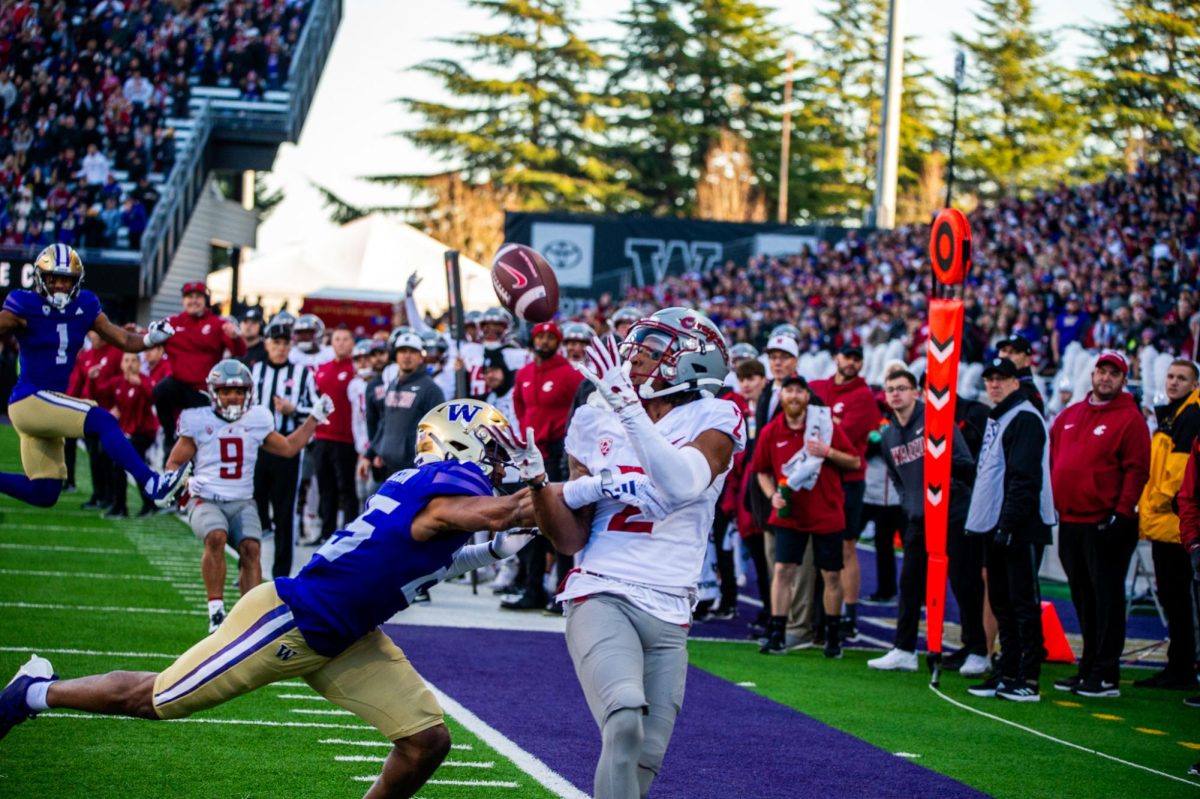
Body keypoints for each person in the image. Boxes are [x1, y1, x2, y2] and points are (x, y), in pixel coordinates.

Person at [0, 400, 539, 799]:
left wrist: (490, 550)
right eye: (492, 448)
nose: (498, 461)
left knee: (427, 742)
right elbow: (481, 514)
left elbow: (426, 559)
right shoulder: (448, 489)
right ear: (459, 445)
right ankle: (33, 692)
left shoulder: (427, 490)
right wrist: (538, 492)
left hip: (347, 635)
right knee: (153, 699)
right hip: (290, 621)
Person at [489, 309, 742, 799]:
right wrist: (543, 485)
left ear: (692, 362)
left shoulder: (717, 415)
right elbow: (570, 540)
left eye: (650, 351)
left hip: (672, 607)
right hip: (601, 590)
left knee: (644, 757)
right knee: (624, 716)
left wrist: (626, 415)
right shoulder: (593, 419)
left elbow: (682, 482)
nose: (633, 360)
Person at [0, 244, 189, 511]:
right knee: (103, 420)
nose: (60, 287)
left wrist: (149, 338)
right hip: (30, 400)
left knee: (44, 492)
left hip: (48, 404)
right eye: (54, 279)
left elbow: (122, 338)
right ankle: (152, 484)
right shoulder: (24, 304)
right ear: (42, 279)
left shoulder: (85, 305)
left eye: (67, 281)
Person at [167, 360, 335, 633]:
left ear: (249, 393)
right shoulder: (198, 420)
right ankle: (216, 612)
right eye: (225, 391)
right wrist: (185, 480)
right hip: (206, 498)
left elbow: (289, 448)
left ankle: (250, 617)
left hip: (243, 500)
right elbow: (173, 463)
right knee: (216, 536)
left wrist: (314, 418)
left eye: (239, 391)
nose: (232, 397)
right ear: (214, 393)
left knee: (251, 548)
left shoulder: (257, 419)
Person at [867, 370, 984, 676]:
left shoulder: (937, 420)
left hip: (953, 512)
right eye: (890, 389)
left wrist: (942, 469)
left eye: (901, 388)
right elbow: (897, 479)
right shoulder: (889, 435)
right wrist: (911, 505)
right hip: (919, 518)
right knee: (909, 584)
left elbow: (966, 465)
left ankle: (978, 650)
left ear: (916, 392)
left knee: (963, 582)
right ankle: (904, 650)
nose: (895, 394)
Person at [1049, 351, 1151, 698]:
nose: (1105, 378)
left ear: (1124, 380)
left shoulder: (1130, 419)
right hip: (1072, 520)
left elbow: (1138, 470)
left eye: (1113, 373)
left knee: (1106, 598)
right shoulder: (1070, 415)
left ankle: (1106, 673)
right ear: (1092, 375)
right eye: (1101, 371)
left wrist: (1121, 514)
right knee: (1083, 598)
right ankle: (1088, 666)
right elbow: (1055, 460)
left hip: (1106, 522)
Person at [965, 357, 1057, 702]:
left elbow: (1024, 479)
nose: (994, 384)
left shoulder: (1025, 418)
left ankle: (1028, 678)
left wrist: (1008, 524)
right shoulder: (1003, 417)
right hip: (998, 522)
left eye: (1001, 378)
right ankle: (1007, 671)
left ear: (1017, 382)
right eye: (989, 379)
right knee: (1002, 601)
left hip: (1020, 524)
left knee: (1022, 602)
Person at [752, 374, 860, 657]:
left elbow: (854, 461)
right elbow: (761, 470)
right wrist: (771, 494)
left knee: (831, 575)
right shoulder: (771, 431)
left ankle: (833, 637)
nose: (795, 396)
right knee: (782, 570)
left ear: (807, 397)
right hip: (790, 514)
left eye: (800, 391)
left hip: (826, 512)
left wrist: (828, 451)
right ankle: (777, 634)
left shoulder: (824, 427)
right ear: (783, 396)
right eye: (789, 391)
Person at [504, 321, 584, 612]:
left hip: (556, 453)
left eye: (552, 337)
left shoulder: (570, 374)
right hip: (530, 453)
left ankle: (562, 591)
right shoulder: (524, 374)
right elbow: (519, 407)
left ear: (558, 342)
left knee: (560, 519)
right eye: (542, 336)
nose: (546, 341)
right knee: (530, 521)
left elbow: (581, 408)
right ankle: (532, 587)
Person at [808, 343, 882, 641]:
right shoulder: (818, 386)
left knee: (847, 547)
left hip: (849, 478)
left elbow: (843, 438)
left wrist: (822, 425)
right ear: (836, 357)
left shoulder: (864, 396)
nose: (851, 363)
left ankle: (848, 614)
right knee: (818, 547)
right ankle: (821, 614)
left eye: (856, 359)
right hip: (819, 478)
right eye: (847, 356)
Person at [1135, 359, 1200, 689]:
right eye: (1171, 376)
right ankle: (1179, 665)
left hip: (1175, 526)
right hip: (1167, 524)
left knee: (1180, 602)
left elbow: (1178, 478)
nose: (1173, 382)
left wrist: (1152, 504)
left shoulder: (1190, 416)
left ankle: (1182, 669)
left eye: (1182, 378)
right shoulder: (1175, 414)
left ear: (1194, 384)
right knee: (1176, 603)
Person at [249, 320, 318, 580]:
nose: (280, 348)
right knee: (251, 511)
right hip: (257, 449)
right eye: (275, 343)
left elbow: (316, 412)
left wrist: (293, 410)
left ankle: (281, 573)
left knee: (285, 512)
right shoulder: (254, 372)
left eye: (284, 343)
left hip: (288, 450)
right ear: (266, 344)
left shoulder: (303, 374)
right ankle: (247, 567)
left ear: (291, 346)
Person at [155, 282, 246, 459]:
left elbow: (240, 352)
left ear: (206, 301)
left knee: (202, 434)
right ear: (183, 300)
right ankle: (169, 434)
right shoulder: (172, 323)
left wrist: (235, 337)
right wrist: (136, 334)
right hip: (178, 383)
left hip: (203, 389)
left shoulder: (218, 324)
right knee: (161, 390)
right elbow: (148, 339)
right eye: (190, 297)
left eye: (198, 297)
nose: (194, 301)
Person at [361, 332, 445, 481]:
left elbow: (438, 432)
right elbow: (384, 424)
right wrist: (374, 452)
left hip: (413, 471)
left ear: (421, 357)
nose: (407, 356)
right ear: (395, 356)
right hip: (387, 466)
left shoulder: (431, 389)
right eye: (402, 351)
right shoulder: (393, 384)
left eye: (412, 351)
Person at [312, 328, 360, 545]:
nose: (340, 343)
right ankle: (326, 532)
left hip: (346, 440)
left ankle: (349, 534)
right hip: (323, 437)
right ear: (331, 342)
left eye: (345, 339)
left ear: (352, 343)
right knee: (325, 487)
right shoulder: (322, 370)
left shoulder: (355, 371)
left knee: (347, 489)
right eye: (337, 339)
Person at [102, 351, 159, 518]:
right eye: (126, 360)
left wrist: (141, 384)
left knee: (124, 463)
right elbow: (102, 394)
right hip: (126, 433)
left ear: (139, 364)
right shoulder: (118, 383)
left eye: (134, 360)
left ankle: (122, 506)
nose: (130, 364)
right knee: (129, 464)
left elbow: (153, 397)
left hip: (144, 433)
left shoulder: (144, 381)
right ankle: (144, 504)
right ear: (121, 364)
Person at [996, 335, 1045, 415]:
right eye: (1004, 350)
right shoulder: (1002, 384)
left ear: (1027, 360)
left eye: (1014, 352)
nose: (1006, 355)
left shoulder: (1026, 392)